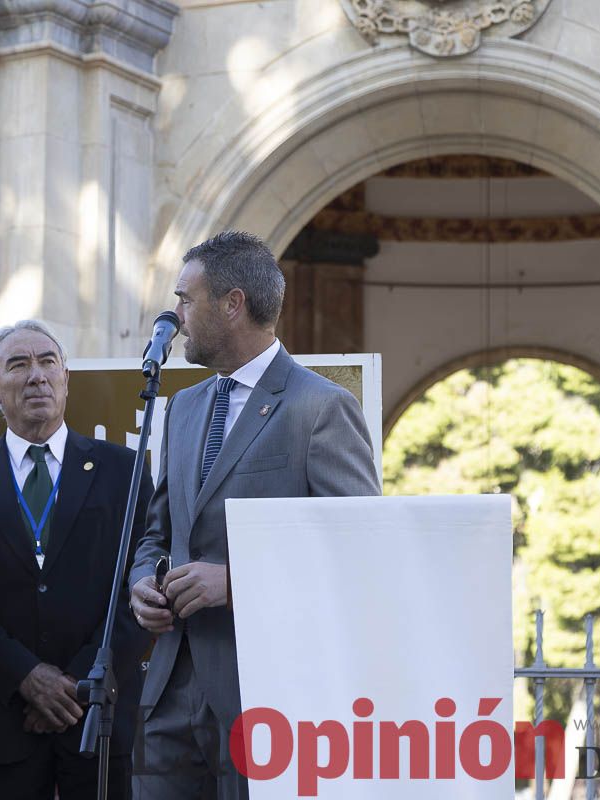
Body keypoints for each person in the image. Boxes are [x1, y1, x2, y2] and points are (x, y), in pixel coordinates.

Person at [129, 231, 382, 798]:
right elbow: (158, 530)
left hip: (269, 698)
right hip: (168, 692)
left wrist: (237, 582)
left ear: (232, 304)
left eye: (185, 299)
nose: (177, 316)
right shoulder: (184, 407)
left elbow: (361, 550)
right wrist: (142, 580)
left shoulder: (321, 408)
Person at [0, 320, 153, 799]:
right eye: (19, 365)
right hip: (1, 723)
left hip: (98, 721)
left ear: (66, 377)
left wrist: (76, 682)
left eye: (47, 362)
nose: (37, 376)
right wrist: (26, 679)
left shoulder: (124, 471)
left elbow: (140, 588)